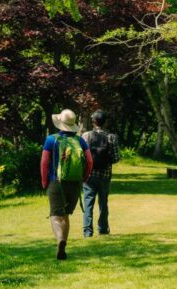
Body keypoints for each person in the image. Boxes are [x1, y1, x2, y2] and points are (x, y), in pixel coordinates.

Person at [40, 108, 92, 260]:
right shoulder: (80, 140)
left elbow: (44, 163)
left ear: (60, 123)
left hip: (56, 181)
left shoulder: (51, 139)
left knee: (56, 215)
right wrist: (85, 177)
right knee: (66, 215)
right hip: (75, 182)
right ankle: (64, 243)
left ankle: (60, 240)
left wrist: (44, 181)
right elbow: (89, 161)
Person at [81, 109, 120, 237]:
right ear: (105, 122)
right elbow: (115, 158)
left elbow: (82, 156)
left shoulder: (85, 136)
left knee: (88, 203)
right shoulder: (111, 137)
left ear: (93, 121)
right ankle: (103, 229)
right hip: (105, 175)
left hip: (89, 175)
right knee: (103, 203)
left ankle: (87, 231)